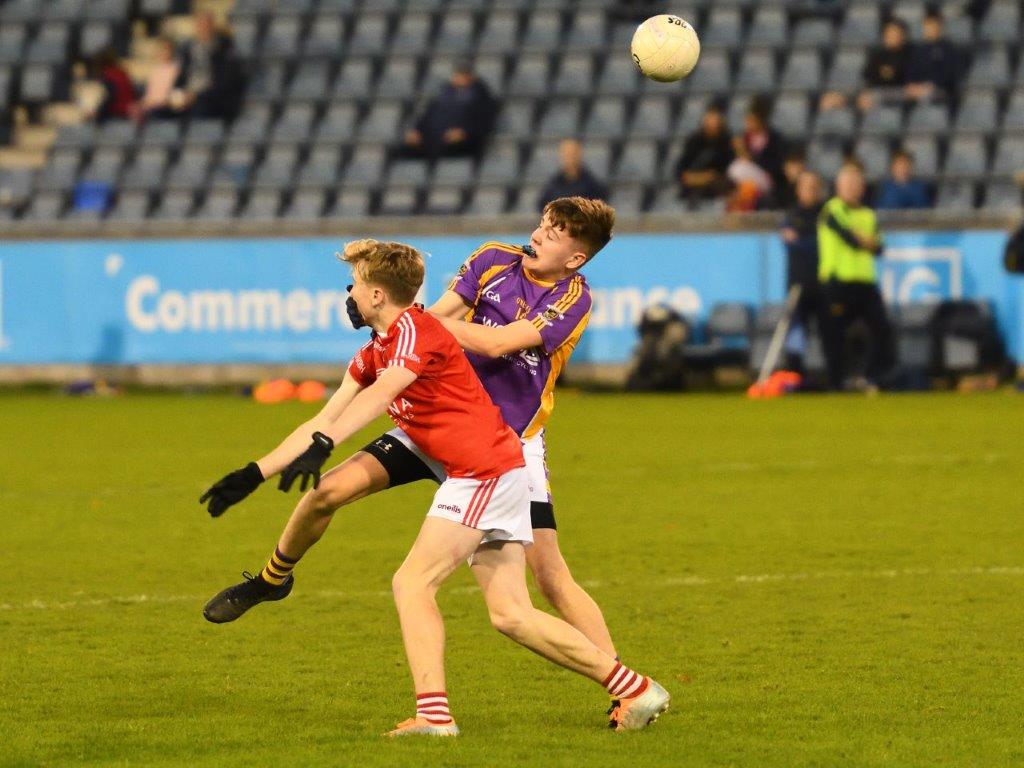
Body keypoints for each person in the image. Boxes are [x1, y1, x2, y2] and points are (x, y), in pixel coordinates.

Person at [200, 238, 669, 735]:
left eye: (355, 286)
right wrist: (255, 473)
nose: (349, 295)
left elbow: (383, 394)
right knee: (510, 614)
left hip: (483, 472)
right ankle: (634, 688)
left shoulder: (415, 333)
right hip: (482, 467)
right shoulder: (375, 348)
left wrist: (325, 442)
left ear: (378, 295)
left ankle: (434, 716)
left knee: (415, 582)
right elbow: (327, 413)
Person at [817, 162, 895, 391]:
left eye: (856, 183)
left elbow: (879, 248)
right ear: (838, 186)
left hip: (865, 281)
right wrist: (865, 241)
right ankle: (836, 383)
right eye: (848, 183)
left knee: (881, 329)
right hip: (837, 281)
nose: (852, 187)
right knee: (835, 335)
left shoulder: (868, 214)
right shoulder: (831, 210)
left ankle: (870, 377)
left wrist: (864, 240)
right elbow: (850, 239)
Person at [398, 61, 497, 160]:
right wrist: (417, 131)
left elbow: (483, 122)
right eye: (457, 74)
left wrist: (465, 133)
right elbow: (427, 117)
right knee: (403, 150)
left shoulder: (480, 96)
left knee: (447, 150)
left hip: (463, 142)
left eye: (462, 74)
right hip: (434, 139)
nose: (458, 78)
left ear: (470, 76)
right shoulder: (443, 94)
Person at [780, 170, 824, 375]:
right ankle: (794, 377)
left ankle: (833, 379)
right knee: (796, 332)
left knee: (830, 333)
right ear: (799, 190)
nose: (811, 191)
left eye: (814, 187)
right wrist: (804, 243)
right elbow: (788, 242)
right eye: (807, 187)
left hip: (824, 284)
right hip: (797, 283)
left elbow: (820, 246)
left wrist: (799, 241)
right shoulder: (791, 215)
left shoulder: (826, 215)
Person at [177, 10, 246, 121]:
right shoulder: (187, 49)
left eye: (206, 25)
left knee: (200, 109)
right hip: (188, 95)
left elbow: (225, 82)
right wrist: (178, 94)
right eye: (200, 25)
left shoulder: (225, 48)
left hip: (212, 98)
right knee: (159, 112)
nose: (203, 28)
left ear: (212, 26)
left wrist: (197, 96)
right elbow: (180, 77)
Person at [674, 101, 734, 205]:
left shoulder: (727, 142)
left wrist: (714, 177)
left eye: (716, 117)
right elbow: (680, 173)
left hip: (719, 189)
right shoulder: (694, 141)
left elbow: (732, 171)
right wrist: (703, 178)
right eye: (710, 117)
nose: (713, 122)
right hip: (695, 188)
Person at [905, 9, 961, 102]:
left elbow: (950, 74)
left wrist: (931, 86)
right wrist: (912, 85)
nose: (931, 28)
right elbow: (912, 71)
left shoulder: (949, 49)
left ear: (941, 26)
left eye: (934, 25)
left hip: (942, 92)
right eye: (928, 25)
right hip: (917, 90)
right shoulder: (918, 50)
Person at [537, 139, 609, 210]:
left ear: (579, 154)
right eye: (566, 154)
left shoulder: (592, 184)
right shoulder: (554, 183)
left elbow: (600, 204)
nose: (569, 158)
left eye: (573, 154)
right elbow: (542, 205)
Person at [857, 18, 911, 112]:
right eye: (889, 33)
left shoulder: (911, 54)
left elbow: (908, 85)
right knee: (832, 100)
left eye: (896, 33)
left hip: (900, 94)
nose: (892, 36)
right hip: (877, 93)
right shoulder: (877, 54)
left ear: (903, 36)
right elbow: (868, 78)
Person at [134, 37, 182, 122]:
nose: (163, 52)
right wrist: (142, 104)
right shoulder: (155, 70)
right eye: (161, 50)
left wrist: (156, 103)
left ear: (172, 51)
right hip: (152, 105)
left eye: (166, 49)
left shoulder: (177, 69)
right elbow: (150, 94)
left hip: (165, 107)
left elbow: (174, 94)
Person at [90, 48, 136, 123]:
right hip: (127, 110)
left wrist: (99, 116)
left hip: (117, 112)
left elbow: (109, 98)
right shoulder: (122, 73)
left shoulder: (108, 75)